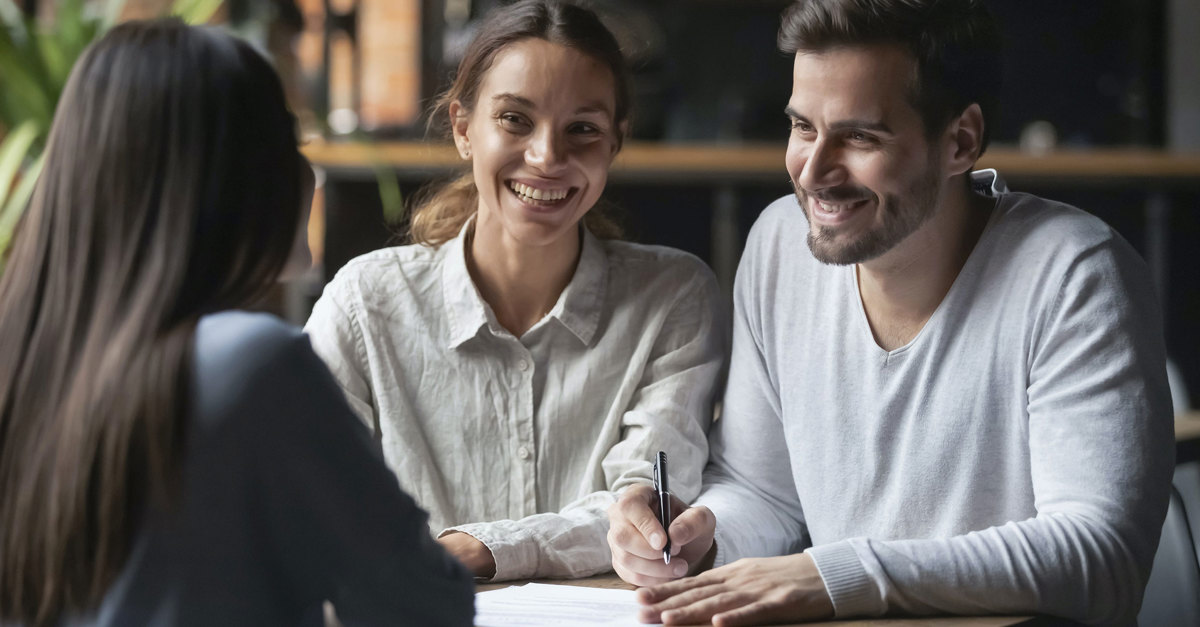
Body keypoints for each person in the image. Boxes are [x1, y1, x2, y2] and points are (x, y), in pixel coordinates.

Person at [607, 1, 1175, 625]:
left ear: (960, 141)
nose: (814, 172)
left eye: (859, 137)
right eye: (802, 128)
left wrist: (840, 575)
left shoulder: (1075, 272)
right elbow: (762, 490)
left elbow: (1101, 555)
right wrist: (701, 538)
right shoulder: (778, 244)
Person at [0, 20, 472, 626]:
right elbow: (423, 604)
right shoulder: (250, 363)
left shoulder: (23, 360)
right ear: (241, 178)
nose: (307, 173)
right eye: (290, 143)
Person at [305, 0, 726, 582]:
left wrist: (480, 549)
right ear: (462, 129)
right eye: (515, 119)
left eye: (583, 129)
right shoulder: (364, 305)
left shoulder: (673, 297)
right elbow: (309, 504)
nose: (547, 157)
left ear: (614, 144)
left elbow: (643, 517)